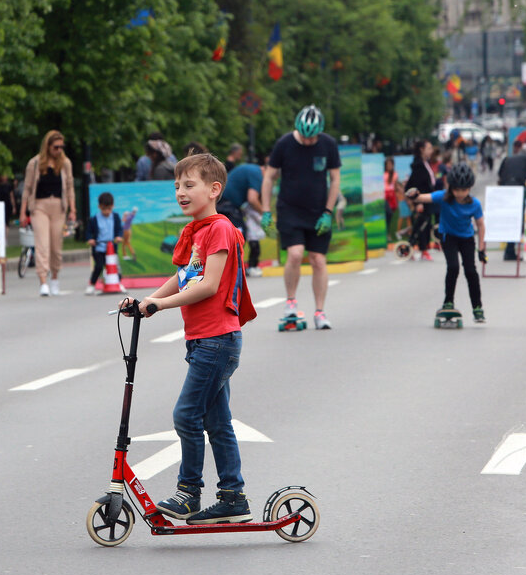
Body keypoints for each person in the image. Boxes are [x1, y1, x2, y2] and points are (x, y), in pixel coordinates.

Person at [129, 152, 257, 524]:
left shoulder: (218, 228)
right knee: (217, 423)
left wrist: (162, 305)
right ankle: (233, 497)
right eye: (176, 186)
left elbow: (208, 284)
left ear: (214, 189)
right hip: (204, 340)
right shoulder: (195, 231)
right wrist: (147, 301)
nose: (180, 192)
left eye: (189, 185)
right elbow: (185, 277)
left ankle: (189, 494)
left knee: (186, 415)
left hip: (218, 339)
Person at [260, 105, 342, 330]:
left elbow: (335, 180)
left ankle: (319, 311)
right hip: (290, 209)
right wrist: (266, 210)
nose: (307, 141)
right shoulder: (284, 144)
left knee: (318, 259)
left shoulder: (328, 145)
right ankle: (291, 302)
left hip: (318, 211)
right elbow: (269, 178)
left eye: (312, 137)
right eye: (304, 137)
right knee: (295, 255)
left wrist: (328, 211)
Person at [405, 161, 486, 323]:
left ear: (470, 188)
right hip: (448, 236)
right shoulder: (443, 197)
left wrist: (482, 249)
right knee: (453, 267)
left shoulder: (474, 204)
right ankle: (448, 301)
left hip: (467, 238)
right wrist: (413, 195)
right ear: (451, 187)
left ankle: (477, 307)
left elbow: (480, 224)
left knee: (471, 271)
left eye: (464, 190)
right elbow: (423, 197)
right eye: (457, 190)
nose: (460, 194)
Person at [20, 129, 77, 297]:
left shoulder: (65, 163)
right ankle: (43, 280)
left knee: (56, 246)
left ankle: (55, 278)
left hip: (59, 207)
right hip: (39, 206)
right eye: (55, 147)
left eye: (61, 147)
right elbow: (27, 188)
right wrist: (23, 212)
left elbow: (70, 187)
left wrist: (73, 209)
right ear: (48, 146)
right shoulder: (35, 163)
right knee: (42, 244)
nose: (59, 150)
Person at [497, 139, 526, 260]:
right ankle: (509, 251)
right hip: (517, 190)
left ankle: (509, 249)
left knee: (508, 218)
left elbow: (500, 173)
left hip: (505, 190)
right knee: (517, 219)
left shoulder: (508, 159)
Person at [404, 139, 438, 260]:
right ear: (421, 150)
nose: (431, 151)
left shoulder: (425, 163)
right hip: (422, 200)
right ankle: (415, 248)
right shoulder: (418, 165)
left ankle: (422, 249)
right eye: (429, 148)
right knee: (421, 225)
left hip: (428, 198)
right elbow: (417, 185)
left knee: (426, 224)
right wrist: (418, 202)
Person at [85, 192, 123, 295]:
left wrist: (118, 237)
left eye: (109, 209)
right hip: (99, 248)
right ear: (99, 207)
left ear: (113, 206)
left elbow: (119, 229)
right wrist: (90, 239)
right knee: (99, 266)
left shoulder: (115, 217)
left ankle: (118, 283)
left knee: (115, 267)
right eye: (104, 209)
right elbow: (88, 231)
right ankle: (92, 285)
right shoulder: (94, 219)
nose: (106, 211)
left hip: (111, 247)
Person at [383, 157, 401, 243]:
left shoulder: (395, 174)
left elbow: (396, 185)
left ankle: (388, 232)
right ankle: (386, 233)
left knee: (390, 215)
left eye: (390, 164)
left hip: (392, 196)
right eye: (387, 164)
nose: (389, 166)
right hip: (385, 195)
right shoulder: (383, 174)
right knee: (388, 212)